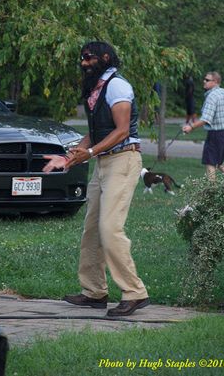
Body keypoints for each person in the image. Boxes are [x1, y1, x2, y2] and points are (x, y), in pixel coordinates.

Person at [42, 41, 149, 316]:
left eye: (88, 58)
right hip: (103, 162)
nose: (83, 63)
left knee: (110, 227)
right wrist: (68, 158)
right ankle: (94, 292)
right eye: (81, 58)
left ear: (104, 57)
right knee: (91, 229)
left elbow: (122, 130)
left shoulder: (117, 85)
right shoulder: (96, 88)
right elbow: (98, 131)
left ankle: (135, 292)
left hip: (123, 159)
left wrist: (88, 152)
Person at [183, 71, 224, 179]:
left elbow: (206, 119)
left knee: (210, 162)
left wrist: (190, 127)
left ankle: (212, 193)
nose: (204, 81)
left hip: (216, 133)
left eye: (207, 80)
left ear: (215, 82)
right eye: (204, 79)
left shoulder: (212, 97)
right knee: (223, 163)